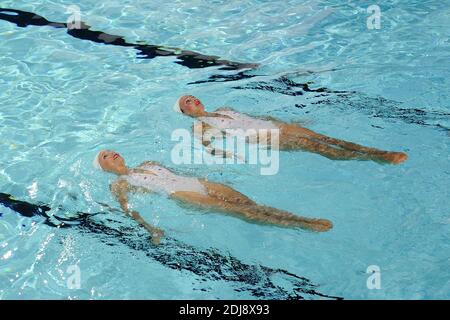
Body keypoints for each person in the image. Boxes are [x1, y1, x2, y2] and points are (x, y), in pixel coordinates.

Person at [93, 150, 333, 244]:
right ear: (103, 169)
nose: (111, 154)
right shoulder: (119, 185)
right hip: (183, 194)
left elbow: (181, 172)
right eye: (105, 157)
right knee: (241, 212)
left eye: (111, 151)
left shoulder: (148, 162)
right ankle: (302, 225)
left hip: (199, 184)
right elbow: (129, 211)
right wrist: (151, 230)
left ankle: (299, 218)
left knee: (249, 204)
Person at [173, 95, 408, 164]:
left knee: (326, 137)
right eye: (186, 102)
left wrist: (290, 121)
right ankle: (368, 159)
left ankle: (377, 152)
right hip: (265, 138)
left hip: (274, 126)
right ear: (184, 112)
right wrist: (232, 155)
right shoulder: (199, 126)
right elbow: (208, 149)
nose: (192, 99)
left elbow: (257, 116)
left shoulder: (224, 107)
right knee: (313, 146)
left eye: (192, 97)